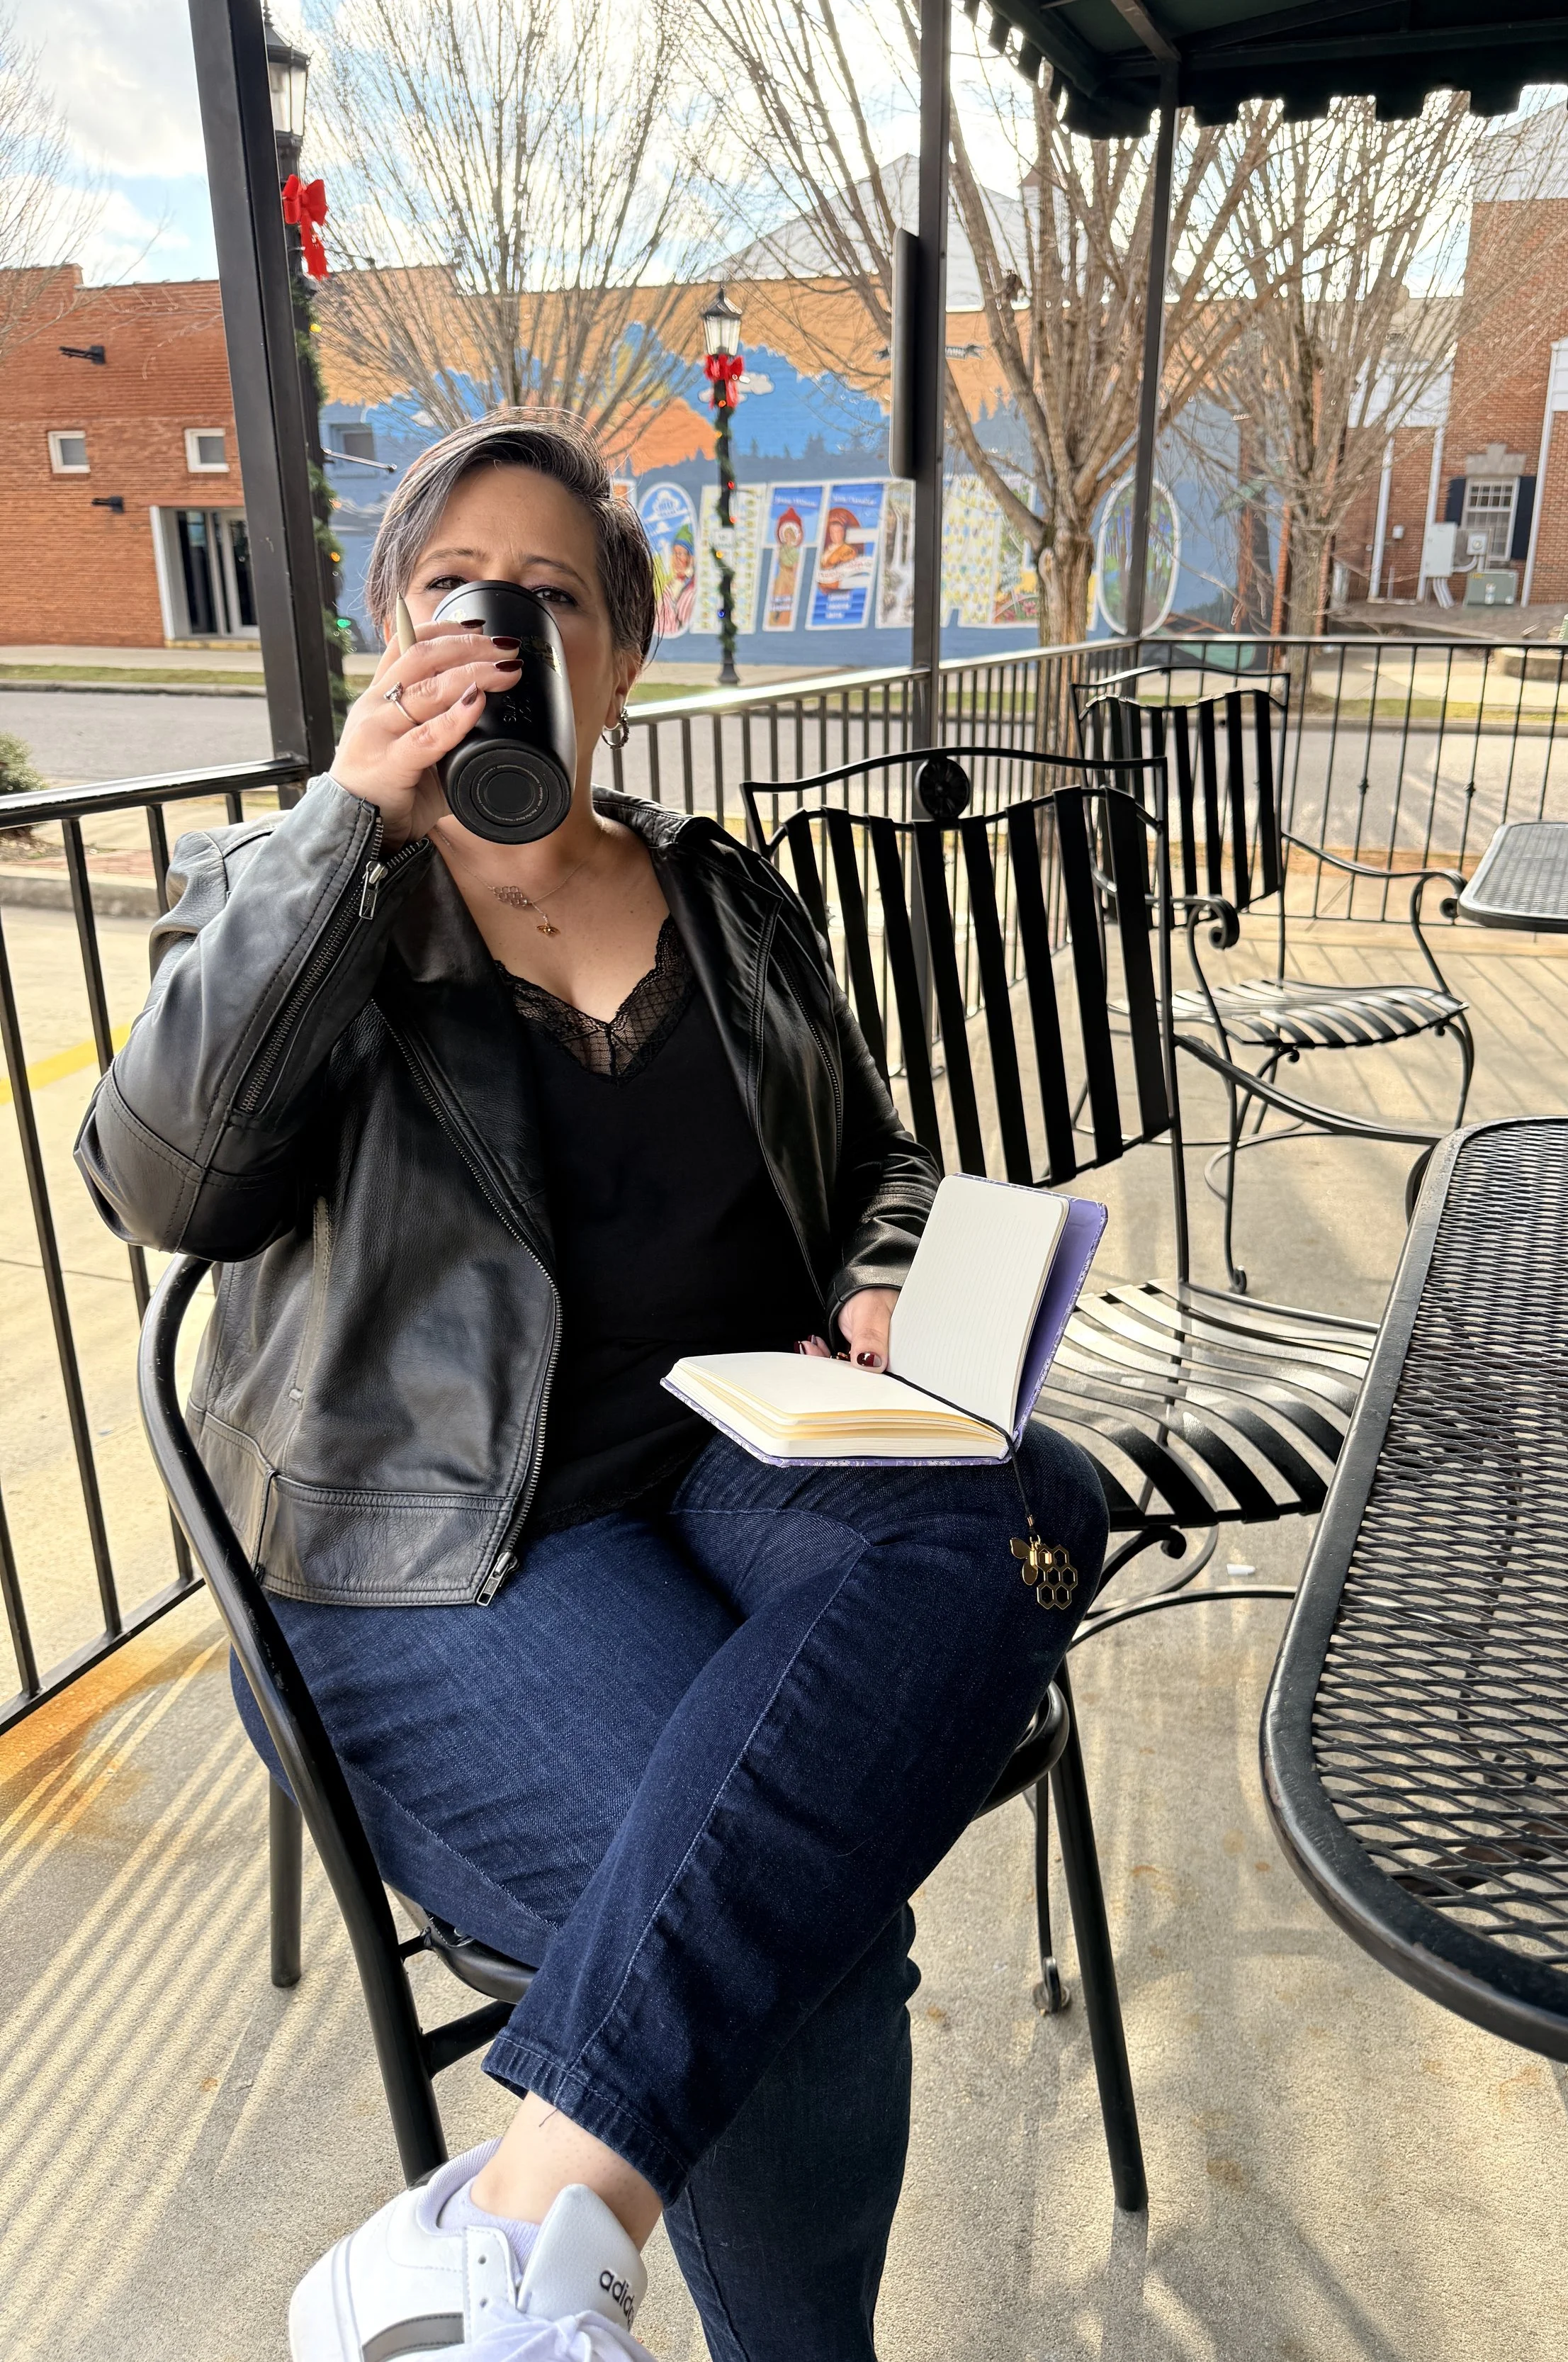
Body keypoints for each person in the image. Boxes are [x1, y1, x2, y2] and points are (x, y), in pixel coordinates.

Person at [76, 408, 1107, 2362]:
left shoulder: (724, 899)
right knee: (798, 1945)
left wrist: (885, 1273)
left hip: (743, 1450)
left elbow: (870, 1151)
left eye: (546, 597)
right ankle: (607, 2275)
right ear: (390, 630)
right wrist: (347, 840)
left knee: (1039, 1491)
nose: (498, 631)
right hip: (437, 1541)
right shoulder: (293, 888)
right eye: (453, 594)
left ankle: (516, 2212)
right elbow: (168, 1181)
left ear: (622, 653)